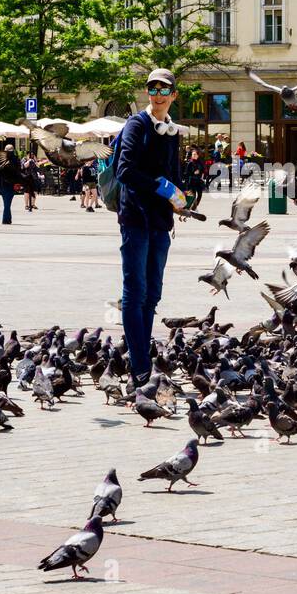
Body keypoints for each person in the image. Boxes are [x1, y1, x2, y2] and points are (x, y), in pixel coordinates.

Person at [115, 68, 185, 388]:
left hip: (160, 222)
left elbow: (174, 174)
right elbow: (124, 170)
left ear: (173, 95)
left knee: (152, 294)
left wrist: (181, 197)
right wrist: (160, 187)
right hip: (135, 218)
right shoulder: (137, 124)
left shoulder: (172, 131)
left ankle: (140, 359)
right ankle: (141, 368)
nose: (157, 95)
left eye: (163, 90)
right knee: (135, 292)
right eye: (152, 89)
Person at [0, 141, 22, 225]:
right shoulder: (16, 159)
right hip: (11, 184)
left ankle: (7, 219)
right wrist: (18, 183)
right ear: (13, 150)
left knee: (6, 202)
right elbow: (18, 173)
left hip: (2, 184)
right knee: (7, 203)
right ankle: (6, 220)